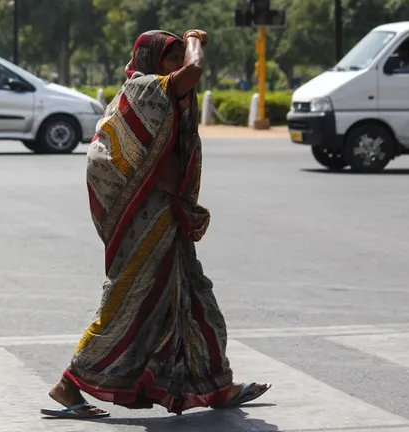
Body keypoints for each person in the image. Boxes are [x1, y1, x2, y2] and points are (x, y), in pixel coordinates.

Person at [40, 29, 272, 420]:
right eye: (171, 56)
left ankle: (217, 386)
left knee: (197, 300)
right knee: (128, 307)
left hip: (167, 216)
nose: (180, 62)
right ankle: (68, 383)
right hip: (145, 220)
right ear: (151, 61)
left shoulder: (161, 92)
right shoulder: (146, 88)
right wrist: (194, 39)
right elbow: (195, 69)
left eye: (180, 55)